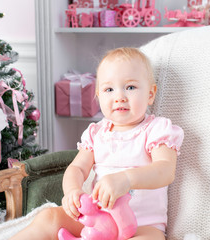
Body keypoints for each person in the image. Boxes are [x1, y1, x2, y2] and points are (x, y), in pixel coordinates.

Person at [10, 47, 184, 240]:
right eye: (109, 89)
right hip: (97, 219)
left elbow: (165, 170)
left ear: (150, 94)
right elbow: (77, 168)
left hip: (143, 226)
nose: (119, 97)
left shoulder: (156, 130)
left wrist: (126, 179)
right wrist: (72, 191)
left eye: (131, 87)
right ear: (99, 96)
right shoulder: (96, 133)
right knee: (49, 217)